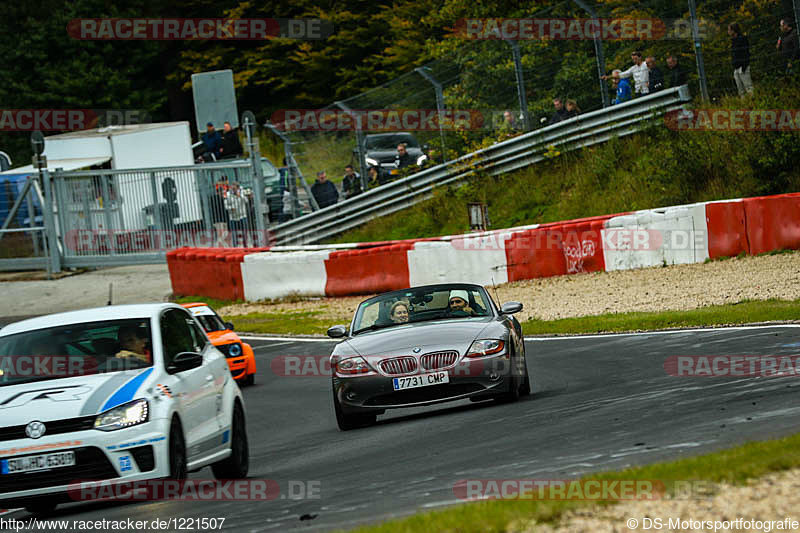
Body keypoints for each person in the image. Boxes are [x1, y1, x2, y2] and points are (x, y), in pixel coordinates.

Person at [729, 23, 753, 95]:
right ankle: (744, 104)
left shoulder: (742, 39)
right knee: (740, 89)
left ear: (734, 30)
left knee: (748, 86)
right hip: (736, 67)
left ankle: (752, 102)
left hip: (743, 66)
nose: (728, 32)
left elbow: (746, 52)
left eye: (729, 30)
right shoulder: (733, 40)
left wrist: (744, 65)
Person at [224, 181, 249, 246]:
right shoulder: (228, 194)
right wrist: (231, 208)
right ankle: (235, 247)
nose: (233, 190)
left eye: (235, 188)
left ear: (238, 188)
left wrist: (240, 196)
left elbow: (246, 201)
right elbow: (226, 205)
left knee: (244, 233)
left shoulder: (242, 192)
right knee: (234, 234)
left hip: (242, 216)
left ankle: (245, 246)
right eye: (232, 188)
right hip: (233, 217)